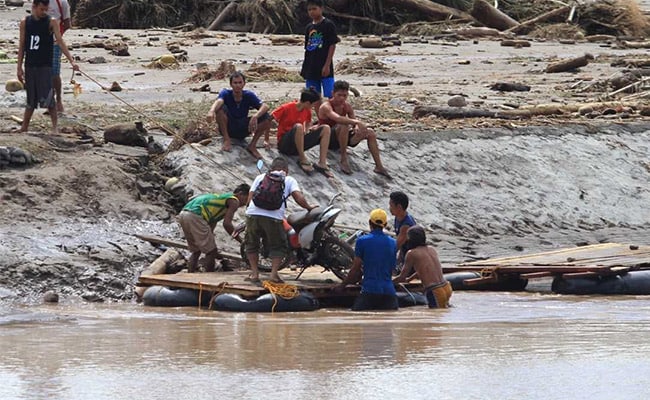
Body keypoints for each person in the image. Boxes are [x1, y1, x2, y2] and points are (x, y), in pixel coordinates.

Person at [245, 157, 317, 283]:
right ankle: (273, 275)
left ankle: (255, 274)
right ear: (286, 170)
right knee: (278, 246)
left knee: (251, 244)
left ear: (271, 169)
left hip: (253, 214)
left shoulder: (261, 177)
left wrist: (252, 212)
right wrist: (309, 207)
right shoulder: (289, 180)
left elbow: (249, 199)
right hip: (274, 217)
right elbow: (298, 197)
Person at [17, 0, 79, 133]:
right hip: (30, 64)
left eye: (46, 9)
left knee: (49, 98)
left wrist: (72, 61)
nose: (44, 12)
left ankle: (55, 128)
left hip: (45, 65)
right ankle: (24, 127)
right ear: (34, 7)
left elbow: (60, 42)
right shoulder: (25, 22)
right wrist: (19, 67)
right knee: (31, 99)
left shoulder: (51, 22)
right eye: (41, 9)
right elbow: (22, 45)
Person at [318, 80, 391, 178]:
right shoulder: (326, 106)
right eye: (339, 95)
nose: (342, 98)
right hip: (329, 139)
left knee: (370, 132)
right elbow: (337, 118)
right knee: (343, 124)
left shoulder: (347, 106)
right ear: (333, 93)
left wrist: (356, 126)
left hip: (344, 137)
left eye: (344, 95)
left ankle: (379, 166)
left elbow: (353, 119)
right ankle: (343, 158)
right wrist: (356, 122)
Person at [177, 184, 250, 273]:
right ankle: (209, 278)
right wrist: (241, 241)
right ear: (240, 193)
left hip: (184, 213)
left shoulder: (221, 200)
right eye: (246, 199)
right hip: (195, 215)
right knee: (211, 252)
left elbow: (210, 227)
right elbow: (227, 224)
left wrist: (211, 244)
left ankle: (190, 274)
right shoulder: (234, 201)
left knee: (196, 251)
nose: (245, 203)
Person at [336, 209, 398, 311]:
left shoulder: (362, 241)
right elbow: (391, 269)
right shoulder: (393, 243)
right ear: (385, 224)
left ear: (370, 223)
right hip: (389, 292)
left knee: (357, 317)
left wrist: (342, 286)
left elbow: (356, 269)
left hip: (370, 291)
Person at [206, 71, 272, 158]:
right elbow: (219, 101)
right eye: (235, 83)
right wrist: (211, 111)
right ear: (231, 84)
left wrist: (256, 116)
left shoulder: (248, 95)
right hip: (229, 127)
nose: (238, 85)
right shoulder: (226, 93)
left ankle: (252, 145)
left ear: (244, 84)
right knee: (220, 110)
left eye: (240, 82)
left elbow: (265, 106)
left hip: (243, 127)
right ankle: (226, 139)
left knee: (266, 117)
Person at [271, 88, 333, 177]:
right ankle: (302, 158)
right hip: (285, 144)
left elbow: (308, 122)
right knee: (299, 126)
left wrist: (308, 130)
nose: (313, 107)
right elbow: (270, 118)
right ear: (308, 103)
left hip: (298, 142)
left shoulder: (307, 111)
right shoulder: (287, 107)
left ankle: (322, 163)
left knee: (325, 128)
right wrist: (266, 139)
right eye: (313, 104)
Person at [393, 226, 452, 308]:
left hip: (434, 291)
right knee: (443, 313)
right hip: (446, 287)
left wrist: (389, 283)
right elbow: (425, 269)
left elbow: (402, 277)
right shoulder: (432, 249)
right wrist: (410, 279)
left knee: (434, 317)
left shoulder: (411, 253)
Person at [300, 0, 339, 102]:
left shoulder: (328, 24)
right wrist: (305, 68)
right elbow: (308, 49)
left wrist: (327, 65)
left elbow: (332, 45)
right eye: (309, 10)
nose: (312, 12)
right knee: (314, 96)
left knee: (331, 94)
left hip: (324, 64)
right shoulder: (309, 27)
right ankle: (321, 117)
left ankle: (332, 116)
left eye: (314, 9)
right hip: (311, 66)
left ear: (321, 9)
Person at [47, 0, 71, 113]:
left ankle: (58, 100)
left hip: (55, 42)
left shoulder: (62, 2)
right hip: (40, 43)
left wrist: (58, 35)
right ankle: (49, 100)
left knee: (55, 73)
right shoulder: (38, 2)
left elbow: (67, 24)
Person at [389, 191, 416, 272]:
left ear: (399, 207)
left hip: (413, 261)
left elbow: (395, 247)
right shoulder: (398, 217)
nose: (389, 208)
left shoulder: (406, 226)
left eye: (391, 206)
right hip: (405, 256)